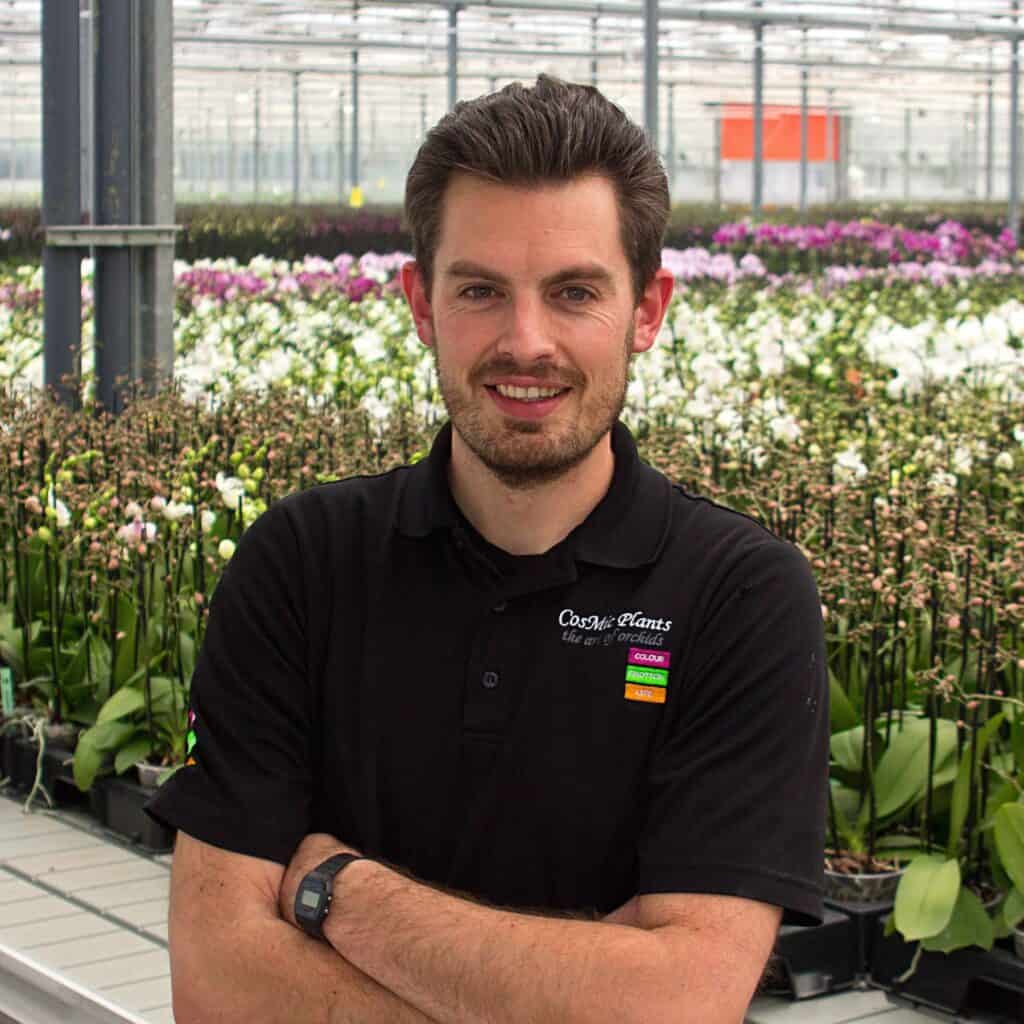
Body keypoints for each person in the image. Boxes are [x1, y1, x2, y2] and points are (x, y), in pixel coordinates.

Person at [148, 74, 828, 1024]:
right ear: (421, 303)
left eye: (575, 291)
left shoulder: (739, 594)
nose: (526, 341)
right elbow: (217, 987)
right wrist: (575, 980)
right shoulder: (298, 563)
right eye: (479, 290)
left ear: (649, 309)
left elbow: (678, 1004)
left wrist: (344, 896)